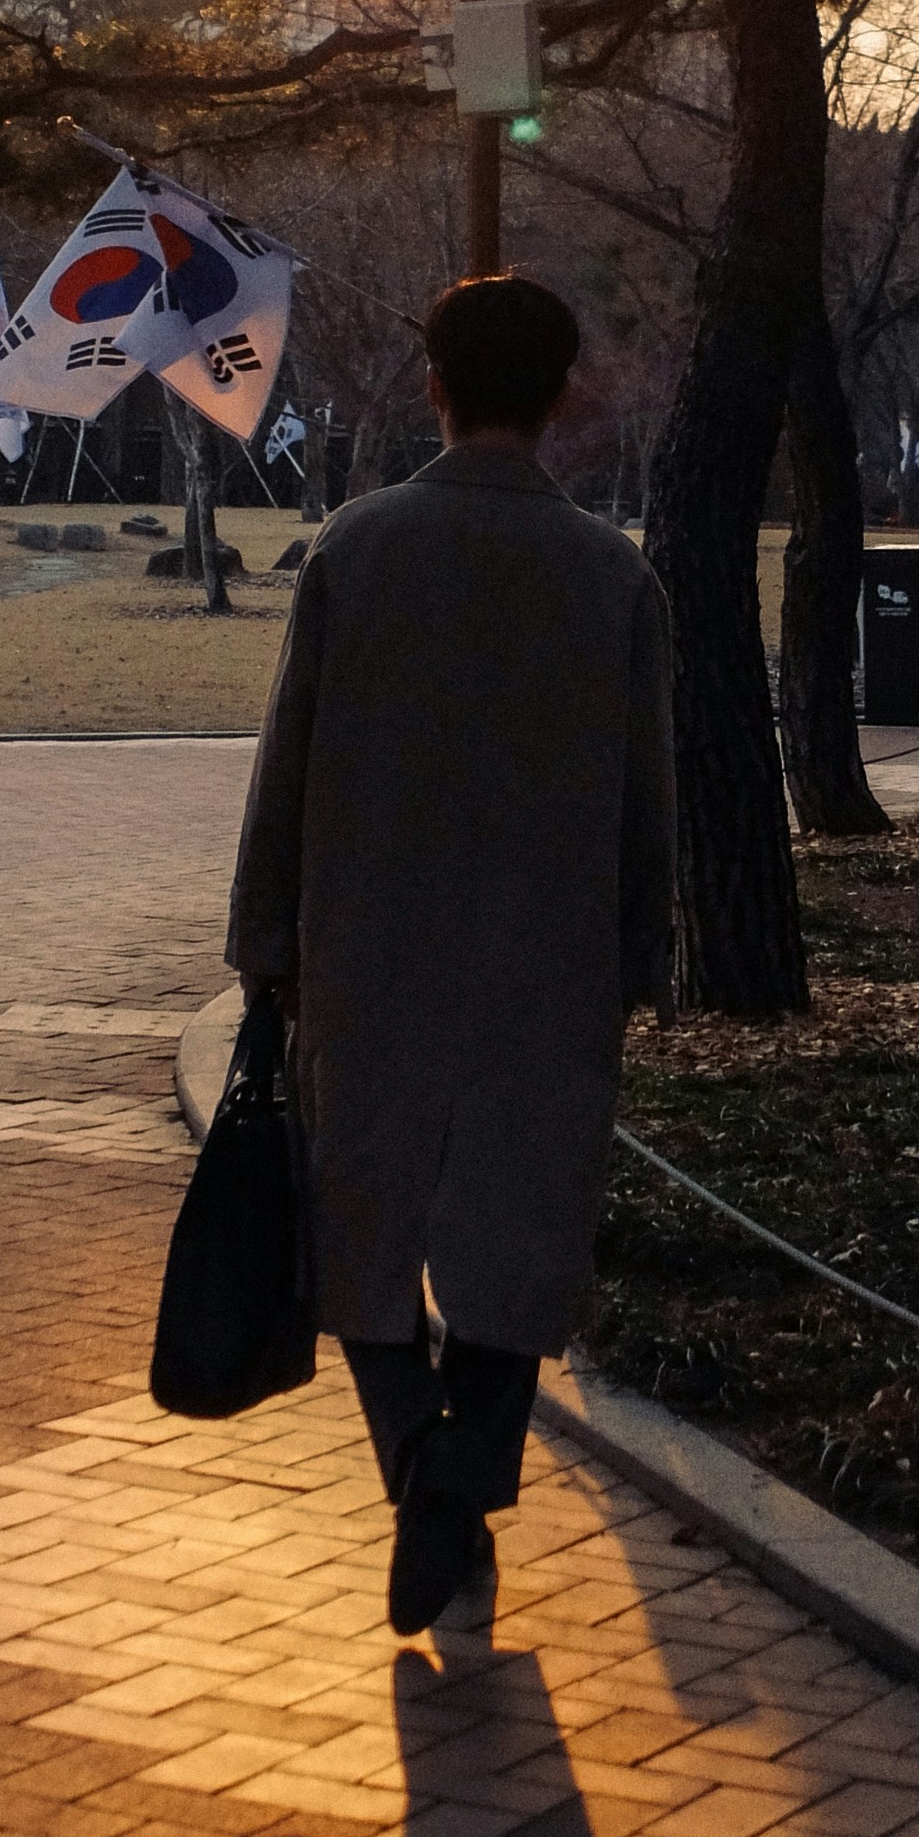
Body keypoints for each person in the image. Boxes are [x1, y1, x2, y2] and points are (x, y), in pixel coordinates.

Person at [226, 271, 678, 1637]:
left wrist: (267, 943)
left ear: (434, 386)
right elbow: (645, 801)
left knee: (358, 1238)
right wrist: (643, 957)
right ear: (560, 395)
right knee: (518, 1243)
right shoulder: (614, 577)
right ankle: (458, 1472)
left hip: (370, 951)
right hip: (550, 962)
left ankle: (422, 1474)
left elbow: (287, 768)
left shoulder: (357, 551)